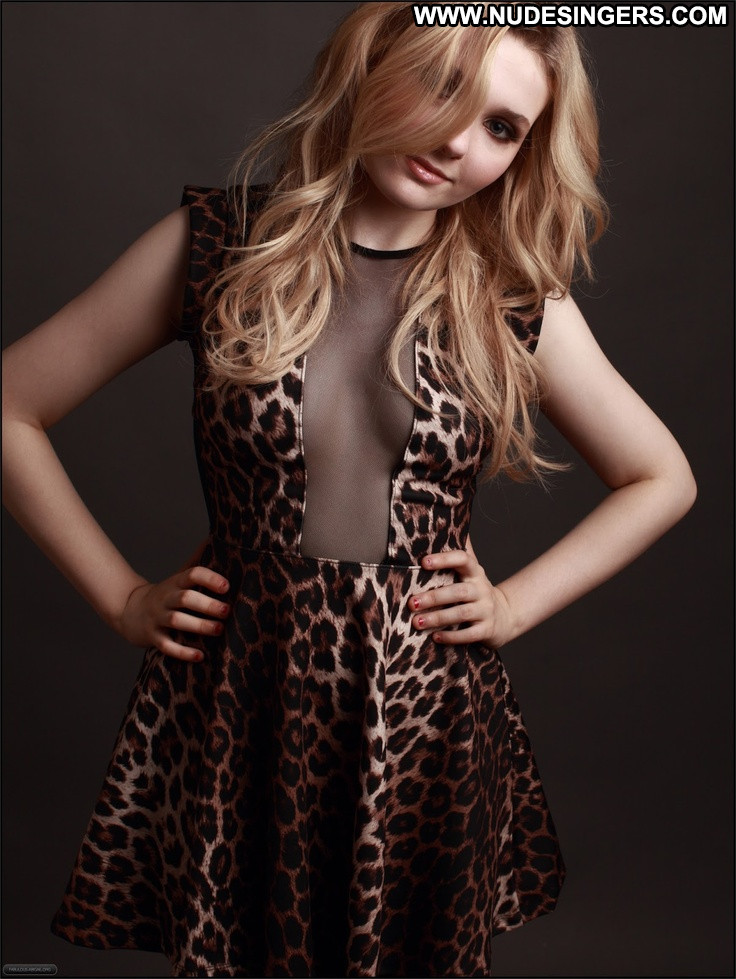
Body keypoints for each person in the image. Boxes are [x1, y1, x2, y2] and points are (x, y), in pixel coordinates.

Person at [2, 4, 696, 977]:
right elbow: (11, 406)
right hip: (243, 699)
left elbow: (662, 476)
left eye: (502, 126)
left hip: (422, 713)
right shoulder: (220, 245)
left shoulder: (505, 293)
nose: (457, 141)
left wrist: (512, 604)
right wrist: (122, 597)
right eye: (444, 86)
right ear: (373, 65)